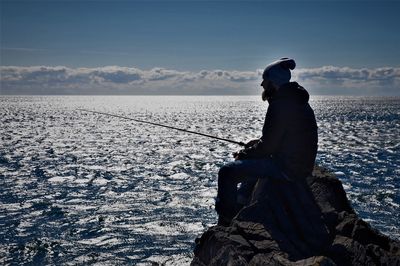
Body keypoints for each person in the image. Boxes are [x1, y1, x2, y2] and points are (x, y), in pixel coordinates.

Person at [215, 58, 318, 225]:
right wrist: (257, 144)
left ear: (274, 82)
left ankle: (225, 221)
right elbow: (283, 137)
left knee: (226, 172)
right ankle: (241, 206)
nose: (262, 84)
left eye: (265, 80)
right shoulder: (297, 100)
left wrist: (244, 153)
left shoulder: (280, 104)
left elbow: (268, 146)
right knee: (253, 162)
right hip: (300, 165)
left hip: (287, 168)